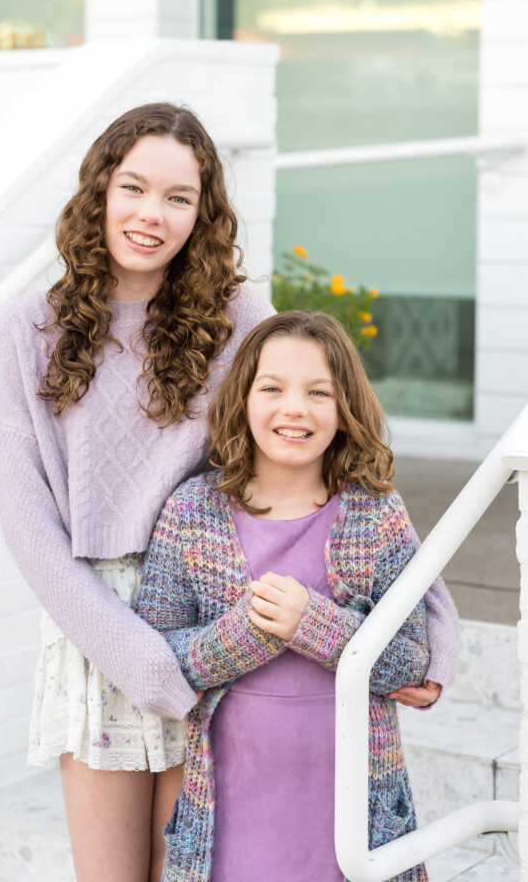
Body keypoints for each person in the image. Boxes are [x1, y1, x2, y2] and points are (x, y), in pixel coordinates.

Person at [0, 103, 455, 882]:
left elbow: (338, 451)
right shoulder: (25, 329)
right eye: (133, 187)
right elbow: (29, 528)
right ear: (98, 189)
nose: (151, 215)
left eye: (178, 198)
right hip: (99, 628)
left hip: (215, 606)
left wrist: (429, 641)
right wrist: (143, 663)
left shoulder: (237, 315)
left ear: (202, 212)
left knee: (200, 865)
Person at [136, 310, 455, 882]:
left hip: (350, 808)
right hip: (233, 807)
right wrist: (248, 632)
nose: (294, 408)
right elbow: (159, 659)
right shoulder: (192, 511)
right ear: (243, 398)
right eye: (273, 388)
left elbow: (412, 659)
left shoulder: (374, 513)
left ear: (345, 407)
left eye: (318, 392)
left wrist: (316, 626)